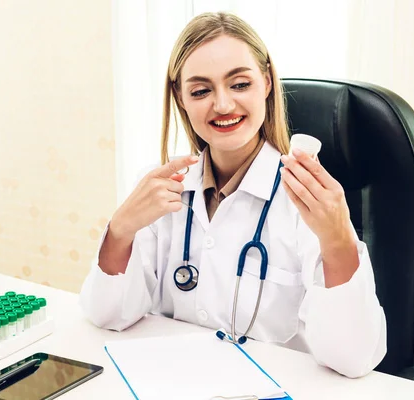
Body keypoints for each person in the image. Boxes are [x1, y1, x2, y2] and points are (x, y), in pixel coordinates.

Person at [80, 11, 386, 378]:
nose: (223, 105)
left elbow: (353, 359)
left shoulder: (306, 200)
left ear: (268, 83)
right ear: (181, 98)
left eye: (239, 84)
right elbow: (107, 315)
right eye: (200, 91)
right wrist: (121, 229)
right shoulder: (161, 187)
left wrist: (336, 238)